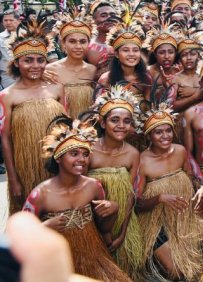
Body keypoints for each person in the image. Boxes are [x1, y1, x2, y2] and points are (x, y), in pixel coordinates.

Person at [23, 116, 131, 281]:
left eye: (85, 154)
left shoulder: (94, 186)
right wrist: (44, 227)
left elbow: (104, 231)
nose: (82, 159)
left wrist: (113, 210)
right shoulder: (40, 195)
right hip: (57, 262)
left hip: (93, 258)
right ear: (58, 158)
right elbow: (20, 238)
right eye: (74, 153)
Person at [0, 20, 66, 213]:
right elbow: (6, 138)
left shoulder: (57, 89)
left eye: (40, 60)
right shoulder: (8, 96)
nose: (35, 66)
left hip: (56, 166)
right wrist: (13, 179)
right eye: (28, 60)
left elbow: (66, 128)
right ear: (17, 63)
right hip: (24, 167)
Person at [136, 103, 203, 281]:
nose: (165, 136)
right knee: (178, 272)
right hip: (157, 225)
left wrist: (201, 190)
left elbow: (193, 179)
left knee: (196, 267)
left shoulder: (180, 152)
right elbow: (136, 203)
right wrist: (159, 198)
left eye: (168, 130)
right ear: (149, 135)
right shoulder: (142, 161)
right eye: (158, 132)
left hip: (184, 220)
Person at [88, 85, 145, 279]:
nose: (121, 125)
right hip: (91, 218)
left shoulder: (132, 154)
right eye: (115, 120)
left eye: (127, 121)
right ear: (102, 123)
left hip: (121, 219)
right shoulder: (89, 150)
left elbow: (130, 195)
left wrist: (123, 232)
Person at [45, 12, 96, 118]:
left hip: (88, 127)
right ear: (63, 43)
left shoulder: (92, 70)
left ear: (88, 44)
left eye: (83, 41)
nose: (78, 46)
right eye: (72, 41)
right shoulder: (50, 70)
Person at [84, 0, 118, 78]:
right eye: (103, 15)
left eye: (112, 14)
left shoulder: (125, 43)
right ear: (94, 20)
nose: (110, 18)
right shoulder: (86, 46)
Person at [0, 9, 19, 89]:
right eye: (5, 20)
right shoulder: (0, 38)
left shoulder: (26, 35)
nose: (8, 23)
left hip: (26, 74)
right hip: (7, 77)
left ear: (18, 21)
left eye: (11, 20)